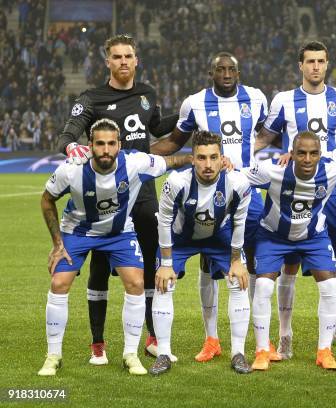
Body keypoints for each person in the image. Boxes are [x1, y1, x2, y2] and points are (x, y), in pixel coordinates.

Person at [56, 34, 178, 365]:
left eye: (129, 56)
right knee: (98, 266)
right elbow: (67, 134)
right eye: (117, 57)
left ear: (136, 60)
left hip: (143, 193)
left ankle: (153, 338)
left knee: (151, 263)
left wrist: (187, 116)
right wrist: (72, 147)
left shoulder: (148, 95)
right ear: (107, 62)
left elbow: (156, 126)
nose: (124, 61)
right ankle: (98, 343)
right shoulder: (91, 98)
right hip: (105, 198)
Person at [38, 119, 189, 376]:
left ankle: (130, 354)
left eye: (111, 143)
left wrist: (194, 160)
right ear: (90, 146)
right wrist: (57, 244)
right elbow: (47, 199)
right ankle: (53, 355)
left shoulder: (135, 163)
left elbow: (171, 162)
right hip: (78, 232)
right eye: (100, 144)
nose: (105, 149)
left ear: (119, 145)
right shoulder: (71, 170)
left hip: (119, 233)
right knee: (59, 283)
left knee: (136, 282)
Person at [147, 51, 271, 363]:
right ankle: (212, 339)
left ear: (239, 73)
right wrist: (139, 153)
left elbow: (271, 131)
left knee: (253, 265)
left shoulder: (256, 98)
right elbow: (175, 142)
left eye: (232, 69)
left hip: (245, 192)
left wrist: (247, 153)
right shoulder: (194, 102)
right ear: (210, 72)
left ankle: (261, 343)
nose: (227, 74)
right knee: (209, 267)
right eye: (220, 69)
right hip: (204, 190)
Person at [254, 41, 336, 358]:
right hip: (294, 192)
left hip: (331, 195)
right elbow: (266, 137)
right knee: (289, 265)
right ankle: (285, 334)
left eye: (321, 61)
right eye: (310, 61)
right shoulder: (283, 100)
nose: (316, 67)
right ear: (300, 65)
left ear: (327, 64)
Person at [244, 131, 336, 371]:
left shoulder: (333, 171)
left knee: (328, 285)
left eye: (313, 153)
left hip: (313, 237)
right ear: (291, 154)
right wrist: (226, 164)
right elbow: (238, 177)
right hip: (273, 236)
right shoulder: (271, 170)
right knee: (262, 286)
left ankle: (324, 351)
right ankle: (262, 350)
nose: (307, 159)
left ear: (320, 155)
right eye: (301, 153)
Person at [150, 131, 252, 375]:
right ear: (192, 159)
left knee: (239, 281)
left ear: (222, 159)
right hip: (181, 238)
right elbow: (164, 222)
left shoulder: (238, 183)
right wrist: (165, 263)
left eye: (213, 157)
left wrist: (236, 261)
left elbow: (240, 222)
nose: (208, 164)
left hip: (219, 237)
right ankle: (163, 353)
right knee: (164, 283)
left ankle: (238, 353)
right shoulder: (176, 183)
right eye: (202, 158)